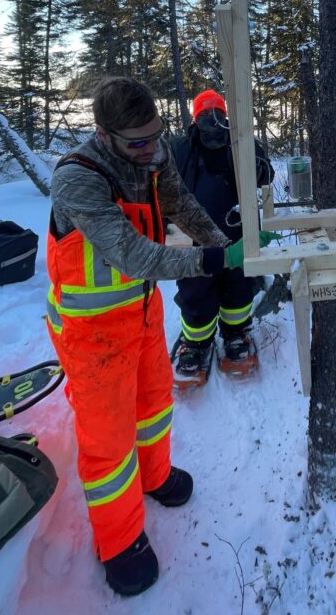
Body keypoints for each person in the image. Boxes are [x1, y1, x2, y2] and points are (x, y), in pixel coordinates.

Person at [46, 77, 276, 597]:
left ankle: (155, 475)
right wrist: (214, 259)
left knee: (153, 408)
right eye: (138, 141)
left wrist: (228, 246)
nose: (152, 149)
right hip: (90, 334)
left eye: (157, 135)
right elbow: (134, 255)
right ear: (105, 135)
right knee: (108, 442)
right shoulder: (78, 179)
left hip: (142, 314)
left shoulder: (152, 157)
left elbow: (183, 207)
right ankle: (119, 540)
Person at [169, 89, 274, 384]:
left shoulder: (242, 144)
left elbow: (267, 177)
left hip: (236, 233)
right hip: (193, 236)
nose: (211, 122)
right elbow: (164, 185)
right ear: (195, 118)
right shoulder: (181, 148)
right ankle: (197, 343)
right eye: (205, 115)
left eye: (216, 114)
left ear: (226, 116)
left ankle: (235, 333)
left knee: (237, 287)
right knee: (195, 290)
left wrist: (255, 159)